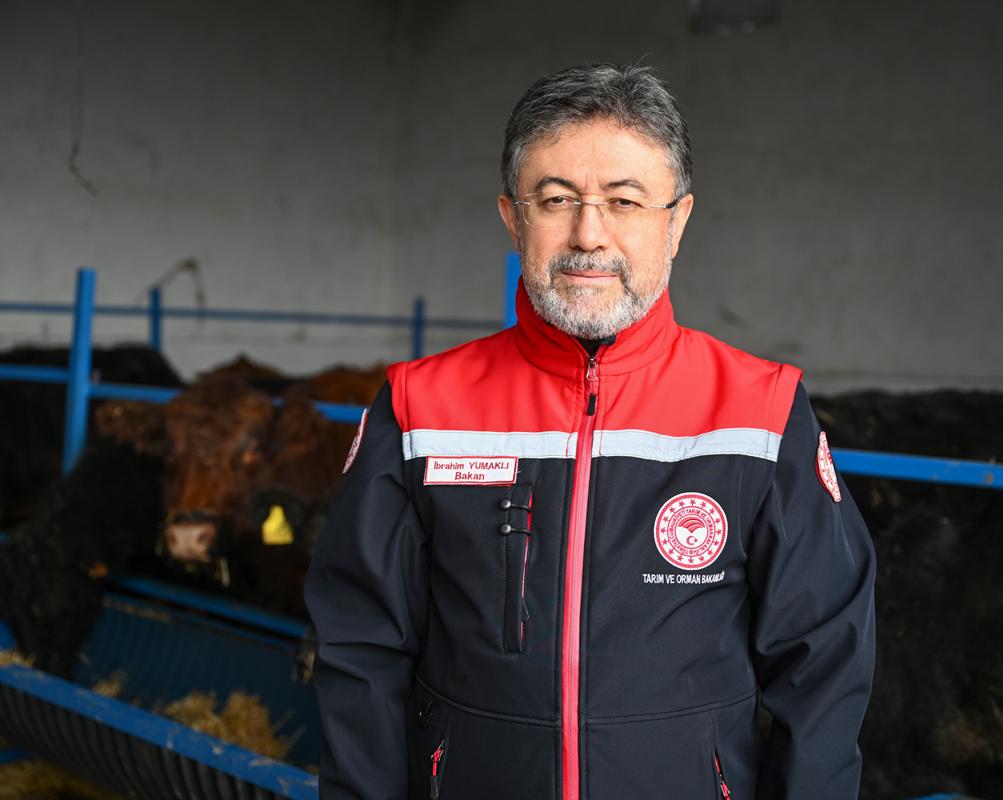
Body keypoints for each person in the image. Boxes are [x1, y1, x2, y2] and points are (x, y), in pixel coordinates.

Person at [305, 62, 875, 800]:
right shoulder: (420, 408)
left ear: (677, 221)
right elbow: (360, 651)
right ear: (512, 217)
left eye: (624, 201)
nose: (588, 235)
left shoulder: (760, 411)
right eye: (556, 200)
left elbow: (824, 663)